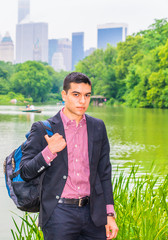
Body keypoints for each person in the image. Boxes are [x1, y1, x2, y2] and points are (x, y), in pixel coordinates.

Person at [20, 72, 118, 240]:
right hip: (59, 214)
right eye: (76, 94)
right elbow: (25, 172)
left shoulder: (98, 126)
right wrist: (49, 151)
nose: (82, 101)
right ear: (64, 95)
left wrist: (109, 213)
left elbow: (104, 173)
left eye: (87, 95)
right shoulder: (43, 129)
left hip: (94, 214)